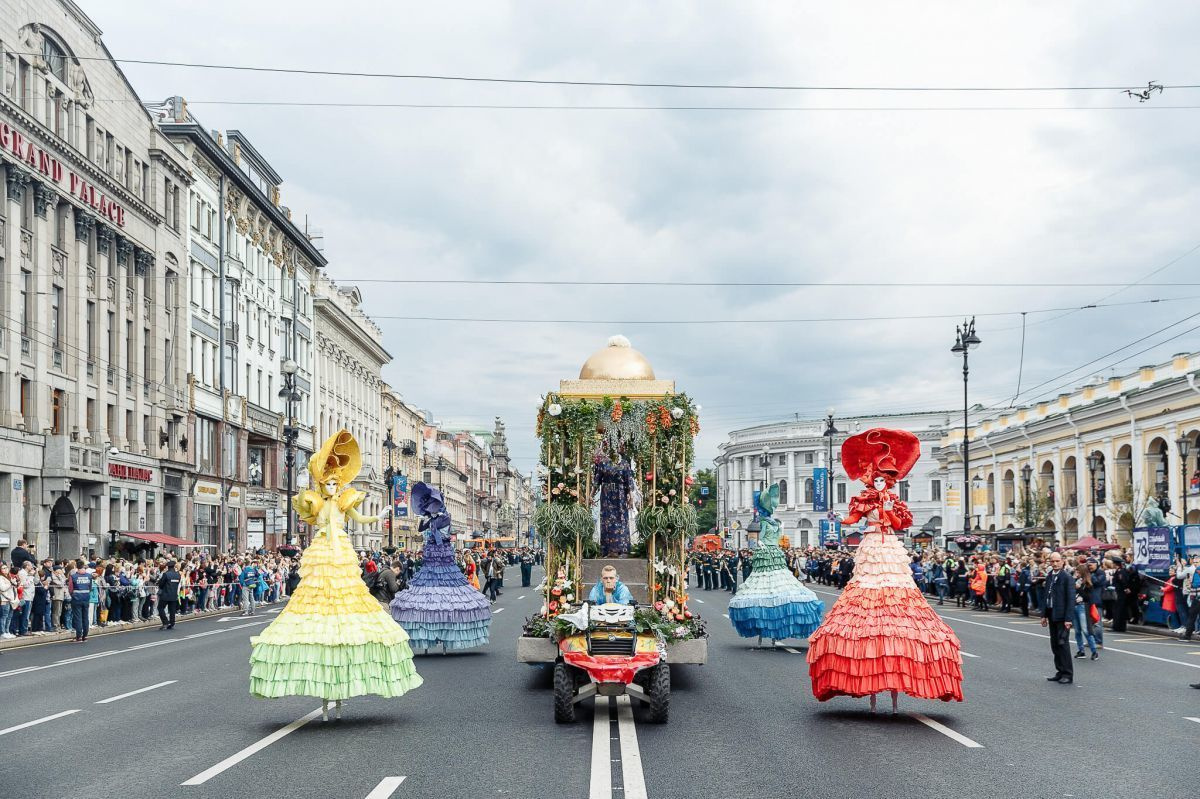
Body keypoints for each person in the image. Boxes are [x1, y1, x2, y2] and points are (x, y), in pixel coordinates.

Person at [250, 430, 422, 721]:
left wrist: (380, 516)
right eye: (327, 482)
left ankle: (338, 700)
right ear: (322, 483)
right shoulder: (317, 504)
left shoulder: (344, 504)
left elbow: (362, 520)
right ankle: (328, 702)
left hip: (340, 552)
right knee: (315, 598)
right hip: (322, 553)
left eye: (334, 482)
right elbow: (305, 510)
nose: (331, 486)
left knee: (346, 596)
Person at [808, 429, 963, 712]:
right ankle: (871, 691)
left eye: (885, 478)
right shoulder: (864, 499)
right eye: (876, 477)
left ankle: (893, 688)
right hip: (870, 547)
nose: (880, 482)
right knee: (865, 590)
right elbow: (852, 518)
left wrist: (889, 508)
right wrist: (838, 519)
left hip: (889, 547)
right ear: (870, 478)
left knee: (898, 593)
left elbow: (900, 524)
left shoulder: (894, 501)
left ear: (891, 480)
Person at [390, 483, 492, 651]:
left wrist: (431, 517)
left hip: (442, 552)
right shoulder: (433, 517)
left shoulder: (445, 517)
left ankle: (447, 633)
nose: (431, 508)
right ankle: (428, 633)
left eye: (433, 505)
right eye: (430, 505)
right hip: (431, 553)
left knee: (446, 590)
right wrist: (424, 518)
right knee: (428, 590)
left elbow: (437, 529)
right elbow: (422, 528)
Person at [728, 484, 824, 643]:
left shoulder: (770, 522)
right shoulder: (768, 523)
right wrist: (762, 545)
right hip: (771, 554)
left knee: (772, 584)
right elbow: (760, 540)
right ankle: (768, 633)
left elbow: (762, 540)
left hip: (772, 554)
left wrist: (763, 546)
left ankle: (768, 633)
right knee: (766, 585)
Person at [1041, 551, 1074, 684]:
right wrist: (1043, 615)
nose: (1054, 564)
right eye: (1052, 561)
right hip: (1051, 613)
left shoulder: (1066, 577)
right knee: (1054, 645)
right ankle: (1059, 671)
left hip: (1062, 616)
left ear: (1062, 561)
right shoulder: (1050, 575)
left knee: (1063, 645)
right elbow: (1046, 596)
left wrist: (1068, 618)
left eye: (1057, 561)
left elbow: (1071, 599)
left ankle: (1067, 674)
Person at [1072, 562, 1099, 661]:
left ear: (1082, 572)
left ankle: (1094, 651)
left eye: (1078, 572)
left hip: (1083, 607)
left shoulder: (1087, 583)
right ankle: (1081, 651)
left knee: (1085, 630)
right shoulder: (1076, 581)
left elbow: (1088, 598)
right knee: (1077, 631)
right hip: (1074, 606)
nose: (1076, 573)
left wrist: (1079, 589)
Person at [67, 560, 93, 642]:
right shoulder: (89, 576)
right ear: (84, 566)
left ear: (76, 567)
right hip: (86, 598)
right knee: (85, 617)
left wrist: (72, 595)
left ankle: (78, 636)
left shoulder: (73, 576)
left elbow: (70, 588)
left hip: (76, 598)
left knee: (78, 617)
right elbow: (90, 587)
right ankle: (85, 635)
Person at [157, 561, 182, 630]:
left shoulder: (166, 574)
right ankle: (172, 623)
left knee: (160, 608)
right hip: (174, 595)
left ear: (168, 567)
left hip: (165, 594)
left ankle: (165, 622)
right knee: (172, 610)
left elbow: (161, 585)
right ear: (174, 566)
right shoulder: (178, 575)